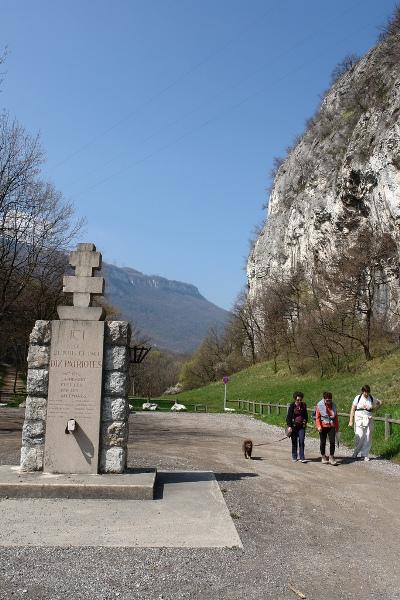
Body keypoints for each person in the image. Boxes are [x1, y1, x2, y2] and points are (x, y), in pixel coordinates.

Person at [348, 385, 381, 461]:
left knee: (368, 435)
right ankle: (356, 452)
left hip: (369, 418)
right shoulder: (358, 398)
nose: (366, 393)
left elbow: (379, 402)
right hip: (359, 418)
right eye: (365, 392)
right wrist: (351, 421)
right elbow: (353, 409)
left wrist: (375, 408)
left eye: (368, 392)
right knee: (359, 435)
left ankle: (365, 454)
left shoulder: (371, 398)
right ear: (362, 391)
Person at [315, 391, 339, 465]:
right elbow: (317, 417)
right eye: (327, 400)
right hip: (323, 426)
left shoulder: (333, 405)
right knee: (323, 442)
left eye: (330, 400)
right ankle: (323, 456)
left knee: (332, 442)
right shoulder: (320, 405)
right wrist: (318, 426)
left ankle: (331, 457)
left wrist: (337, 428)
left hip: (331, 426)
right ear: (324, 399)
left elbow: (336, 418)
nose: (329, 401)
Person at [286, 391, 308, 463]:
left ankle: (302, 457)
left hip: (301, 427)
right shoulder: (292, 406)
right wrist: (289, 426)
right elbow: (288, 417)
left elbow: (306, 416)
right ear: (295, 399)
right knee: (294, 442)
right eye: (297, 400)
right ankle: (294, 456)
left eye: (300, 400)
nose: (299, 401)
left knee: (301, 441)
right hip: (293, 427)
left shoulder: (303, 406)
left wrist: (305, 422)